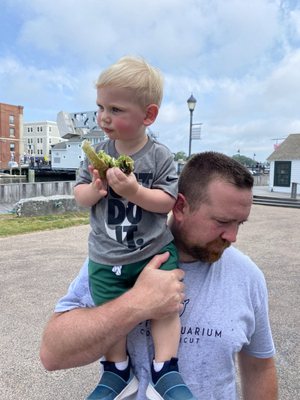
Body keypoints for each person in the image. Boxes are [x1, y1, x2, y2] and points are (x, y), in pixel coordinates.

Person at [40, 152, 278, 399]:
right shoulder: (114, 258)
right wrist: (137, 303)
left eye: (240, 223)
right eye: (222, 221)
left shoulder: (247, 276)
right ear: (180, 206)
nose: (233, 236)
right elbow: (53, 354)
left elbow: (259, 367)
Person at [73, 56, 194, 399]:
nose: (104, 117)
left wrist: (134, 191)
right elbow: (79, 194)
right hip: (106, 254)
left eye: (116, 109)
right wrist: (93, 191)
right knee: (109, 312)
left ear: (149, 115)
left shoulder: (159, 156)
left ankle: (165, 369)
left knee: (167, 307)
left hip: (153, 251)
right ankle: (117, 370)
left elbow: (167, 201)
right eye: (100, 107)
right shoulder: (95, 153)